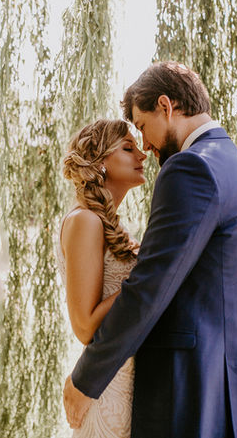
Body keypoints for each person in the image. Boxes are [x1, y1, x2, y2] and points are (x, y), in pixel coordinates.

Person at [63, 61, 237, 437]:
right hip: (235, 396)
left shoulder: (189, 168)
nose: (145, 147)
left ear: (166, 106)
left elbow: (150, 286)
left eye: (142, 127)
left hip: (193, 398)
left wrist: (85, 379)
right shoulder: (232, 163)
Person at [57, 118, 148, 437]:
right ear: (100, 162)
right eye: (128, 148)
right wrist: (148, 280)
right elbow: (84, 326)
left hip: (129, 382)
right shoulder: (85, 221)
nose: (142, 154)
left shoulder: (106, 223)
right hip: (109, 393)